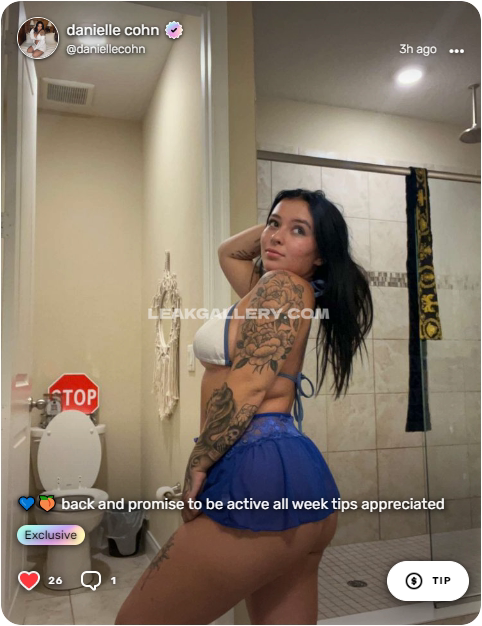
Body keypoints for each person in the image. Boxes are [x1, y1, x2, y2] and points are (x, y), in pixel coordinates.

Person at [115, 189, 373, 625]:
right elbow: (229, 252)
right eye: (273, 224)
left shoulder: (283, 288)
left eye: (299, 231)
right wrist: (289, 223)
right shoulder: (268, 289)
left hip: (255, 470)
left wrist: (198, 462)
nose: (276, 236)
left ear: (321, 253)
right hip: (291, 478)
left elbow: (249, 385)